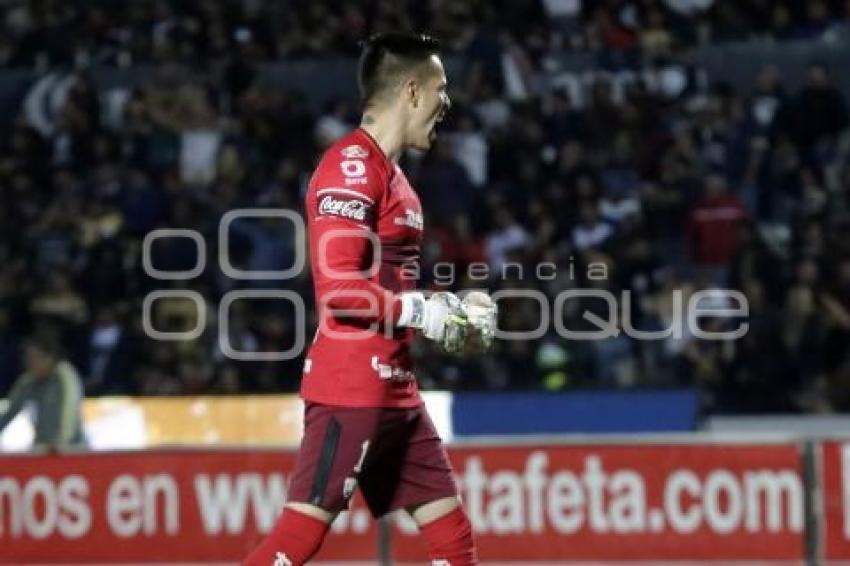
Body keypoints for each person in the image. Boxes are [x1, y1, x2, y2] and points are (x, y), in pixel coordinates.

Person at [244, 33, 495, 566]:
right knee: (296, 542)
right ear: (410, 90)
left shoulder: (396, 177)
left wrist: (448, 313)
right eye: (440, 88)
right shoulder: (350, 168)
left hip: (397, 391)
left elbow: (391, 287)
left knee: (454, 542)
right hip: (351, 389)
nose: (447, 102)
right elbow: (339, 291)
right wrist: (425, 311)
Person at [0, 333, 86, 449]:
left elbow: (70, 410)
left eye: (35, 358)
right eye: (28, 359)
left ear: (49, 358)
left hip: (71, 447)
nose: (31, 364)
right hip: (42, 446)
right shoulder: (27, 381)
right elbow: (9, 412)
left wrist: (63, 440)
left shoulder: (65, 376)